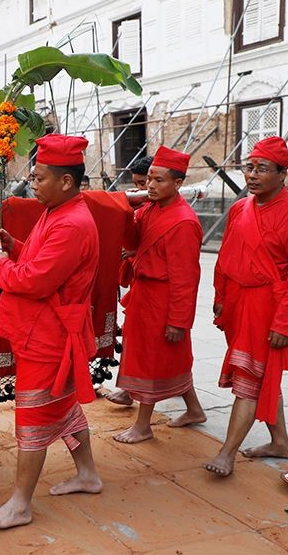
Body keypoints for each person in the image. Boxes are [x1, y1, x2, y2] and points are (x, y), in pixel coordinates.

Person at [0, 134, 102, 530]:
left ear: (66, 182)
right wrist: (13, 247)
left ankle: (20, 504)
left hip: (48, 336)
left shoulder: (72, 223)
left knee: (32, 418)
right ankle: (88, 475)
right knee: (64, 407)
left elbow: (36, 280)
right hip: (43, 328)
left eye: (40, 177)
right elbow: (38, 260)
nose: (33, 183)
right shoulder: (58, 212)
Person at [204, 137, 288, 476]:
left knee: (249, 380)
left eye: (263, 169)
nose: (252, 175)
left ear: (283, 174)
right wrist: (221, 297)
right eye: (249, 167)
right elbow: (224, 258)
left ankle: (227, 452)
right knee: (263, 376)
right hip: (239, 304)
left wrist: (287, 324)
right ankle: (280, 441)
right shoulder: (240, 208)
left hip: (269, 307)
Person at [112, 146, 206, 444]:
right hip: (145, 294)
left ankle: (143, 425)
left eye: (158, 181)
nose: (150, 186)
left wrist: (178, 320)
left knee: (152, 361)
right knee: (168, 358)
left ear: (178, 184)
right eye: (149, 179)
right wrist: (126, 212)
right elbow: (134, 241)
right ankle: (194, 410)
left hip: (164, 300)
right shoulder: (150, 208)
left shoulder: (184, 222)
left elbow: (186, 279)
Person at [106, 153, 156, 407]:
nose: (143, 189)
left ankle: (132, 392)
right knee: (136, 340)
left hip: (156, 286)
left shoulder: (169, 211)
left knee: (146, 344)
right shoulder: (142, 205)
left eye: (146, 182)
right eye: (138, 183)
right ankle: (128, 389)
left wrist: (135, 252)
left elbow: (158, 247)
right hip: (139, 281)